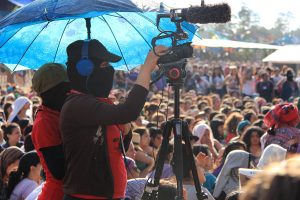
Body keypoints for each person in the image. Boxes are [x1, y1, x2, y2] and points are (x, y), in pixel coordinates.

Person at [60, 39, 166, 199]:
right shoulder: (78, 104)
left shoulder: (99, 102)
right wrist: (146, 68)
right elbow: (129, 111)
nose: (109, 70)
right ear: (84, 69)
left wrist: (127, 131)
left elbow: (116, 146)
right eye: (104, 65)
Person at [31, 63, 70, 200]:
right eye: (64, 89)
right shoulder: (44, 122)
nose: (69, 93)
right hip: (57, 195)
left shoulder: (60, 112)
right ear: (49, 93)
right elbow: (59, 170)